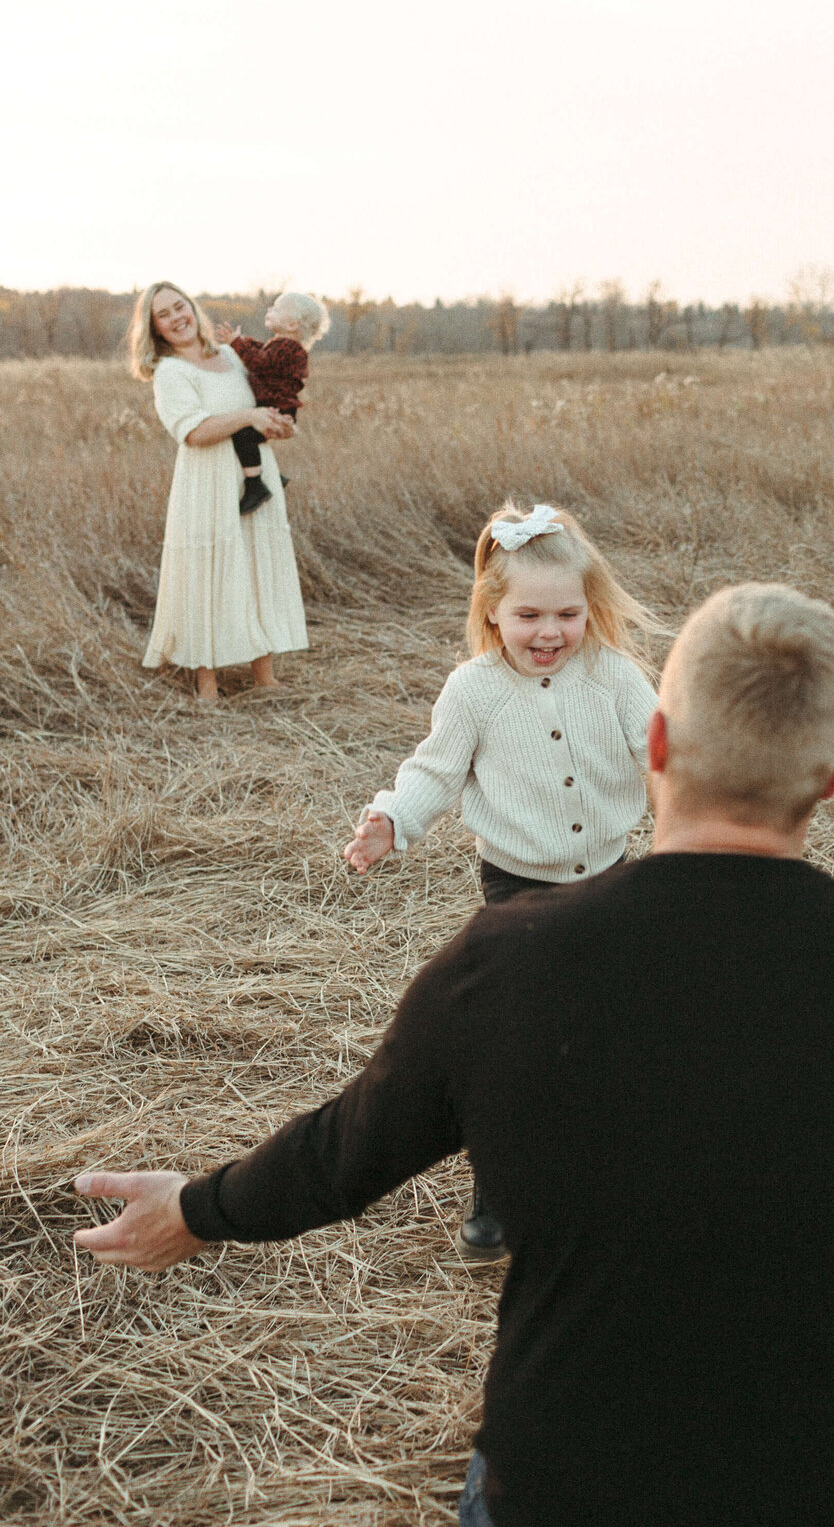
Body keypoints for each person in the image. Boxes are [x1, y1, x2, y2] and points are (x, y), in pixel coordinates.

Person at [73, 582, 834, 1527]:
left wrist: (196, 1209)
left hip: (572, 1519)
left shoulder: (503, 964)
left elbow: (340, 1157)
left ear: (653, 744)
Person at [344, 498, 661, 1261]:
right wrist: (394, 818)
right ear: (492, 614)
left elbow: (664, 752)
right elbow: (434, 771)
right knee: (518, 1035)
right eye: (528, 616)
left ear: (590, 611)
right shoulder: (474, 690)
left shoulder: (615, 677)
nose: (548, 632)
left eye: (566, 614)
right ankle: (501, 1181)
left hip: (610, 879)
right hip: (516, 888)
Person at [132, 282, 310, 701]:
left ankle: (264, 676)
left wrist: (278, 424)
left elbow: (263, 407)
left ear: (192, 308)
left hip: (255, 476)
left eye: (181, 306)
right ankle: (207, 683)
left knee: (255, 564)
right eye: (165, 314)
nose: (178, 318)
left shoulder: (230, 355)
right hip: (207, 480)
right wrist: (248, 414)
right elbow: (194, 432)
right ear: (155, 328)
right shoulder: (170, 371)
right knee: (207, 571)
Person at [213, 292, 330, 515]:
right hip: (276, 407)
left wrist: (237, 343)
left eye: (276, 309)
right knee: (249, 437)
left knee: (243, 436)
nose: (269, 310)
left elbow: (259, 362)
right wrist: (241, 342)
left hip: (277, 409)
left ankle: (256, 485)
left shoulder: (288, 348)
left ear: (292, 324)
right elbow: (261, 352)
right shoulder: (282, 345)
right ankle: (273, 476)